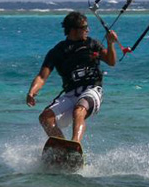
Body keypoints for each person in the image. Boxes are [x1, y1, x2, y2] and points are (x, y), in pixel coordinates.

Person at [26, 11, 118, 143]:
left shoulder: (93, 44)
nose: (88, 30)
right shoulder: (57, 51)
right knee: (45, 118)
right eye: (85, 27)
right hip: (70, 94)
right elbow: (42, 77)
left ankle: (75, 143)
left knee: (79, 110)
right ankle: (63, 148)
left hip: (92, 90)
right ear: (73, 30)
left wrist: (110, 44)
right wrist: (32, 91)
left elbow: (111, 61)